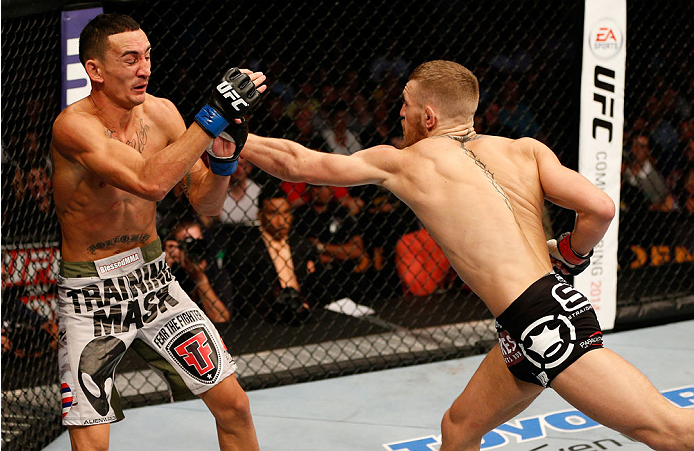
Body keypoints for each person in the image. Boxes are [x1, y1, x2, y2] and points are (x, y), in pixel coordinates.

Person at [241, 60, 694, 450]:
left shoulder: (407, 161)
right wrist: (572, 254)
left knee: (668, 431)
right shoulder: (524, 150)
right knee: (458, 428)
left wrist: (230, 131)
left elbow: (298, 162)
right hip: (538, 312)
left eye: (406, 103)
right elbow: (598, 208)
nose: (399, 113)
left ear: (430, 115)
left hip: (542, 324)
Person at [50, 12, 266, 450]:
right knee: (92, 443)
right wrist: (211, 119)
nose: (145, 68)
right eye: (130, 59)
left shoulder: (163, 113)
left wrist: (223, 158)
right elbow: (150, 181)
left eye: (147, 56)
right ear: (95, 70)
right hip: (92, 292)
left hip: (155, 281)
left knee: (235, 406)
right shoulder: (74, 127)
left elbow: (207, 202)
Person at [164, 219, 232, 323]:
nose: (195, 247)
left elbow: (221, 318)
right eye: (188, 243)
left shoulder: (216, 272)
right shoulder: (172, 274)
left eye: (198, 242)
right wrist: (166, 266)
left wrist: (200, 279)